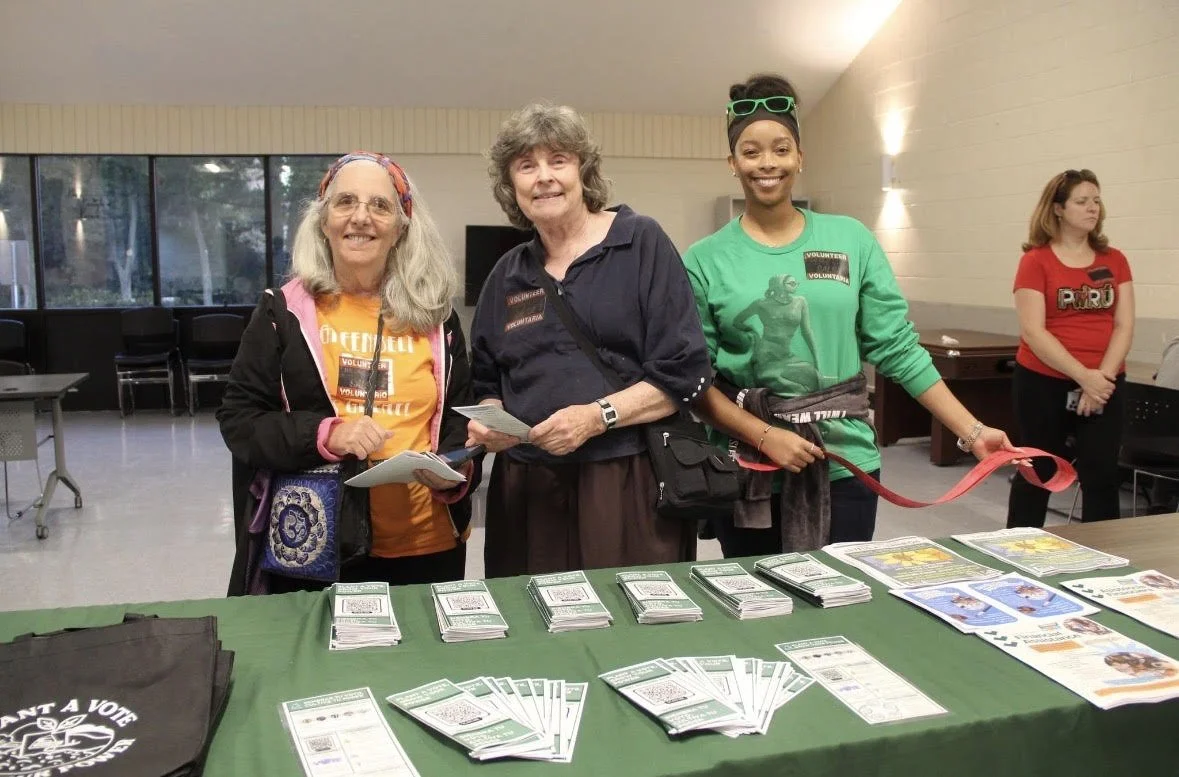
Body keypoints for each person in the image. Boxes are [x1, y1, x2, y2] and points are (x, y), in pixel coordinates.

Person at [682, 73, 1018, 556]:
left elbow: (897, 347)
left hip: (844, 458)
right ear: (732, 163)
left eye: (781, 148)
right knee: (759, 610)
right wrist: (765, 435)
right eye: (750, 152)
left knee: (840, 606)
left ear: (800, 156)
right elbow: (698, 382)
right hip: (749, 464)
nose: (767, 163)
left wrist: (974, 431)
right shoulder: (704, 259)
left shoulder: (850, 240)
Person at [467, 103, 712, 577]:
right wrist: (490, 422)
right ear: (510, 185)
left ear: (584, 170)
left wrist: (597, 417)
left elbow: (684, 371)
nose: (544, 177)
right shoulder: (508, 274)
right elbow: (485, 376)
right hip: (528, 485)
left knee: (628, 619)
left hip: (626, 478)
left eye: (558, 160)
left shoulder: (640, 242)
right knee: (533, 619)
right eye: (526, 165)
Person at [219, 152, 480, 595]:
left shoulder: (436, 316)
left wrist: (455, 473)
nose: (361, 217)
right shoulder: (281, 312)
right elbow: (240, 421)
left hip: (427, 546)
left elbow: (458, 417)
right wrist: (326, 434)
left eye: (380, 205)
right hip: (316, 547)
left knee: (419, 665)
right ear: (323, 221)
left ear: (401, 227)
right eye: (345, 202)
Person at [1007, 169, 1134, 528]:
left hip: (1105, 384)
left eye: (1096, 200)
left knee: (1102, 474)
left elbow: (1124, 324)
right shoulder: (1036, 261)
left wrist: (1101, 380)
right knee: (1039, 470)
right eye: (1082, 201)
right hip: (1044, 381)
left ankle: (1104, 553)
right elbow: (1033, 330)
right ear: (1058, 209)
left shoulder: (1114, 259)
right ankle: (1017, 549)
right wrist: (1083, 378)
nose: (1092, 208)